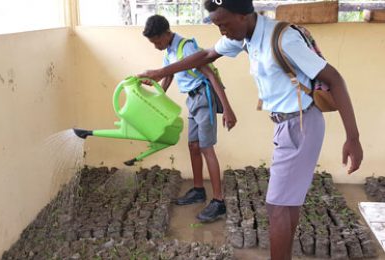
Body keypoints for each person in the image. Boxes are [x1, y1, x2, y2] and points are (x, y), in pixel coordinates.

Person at [139, 1, 363, 259]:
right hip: (286, 125)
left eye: (224, 23)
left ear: (244, 16)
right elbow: (206, 55)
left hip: (300, 125)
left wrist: (353, 138)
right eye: (216, 25)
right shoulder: (245, 36)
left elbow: (335, 79)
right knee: (285, 206)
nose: (221, 30)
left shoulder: (282, 38)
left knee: (277, 207)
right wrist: (160, 71)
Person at [142, 14, 237, 222]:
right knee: (193, 145)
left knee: (205, 148)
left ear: (167, 33)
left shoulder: (186, 47)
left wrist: (228, 109)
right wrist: (154, 101)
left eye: (158, 41)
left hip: (204, 97)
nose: (156, 45)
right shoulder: (169, 51)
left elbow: (211, 75)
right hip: (192, 101)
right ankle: (198, 190)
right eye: (153, 43)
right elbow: (168, 77)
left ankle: (219, 201)